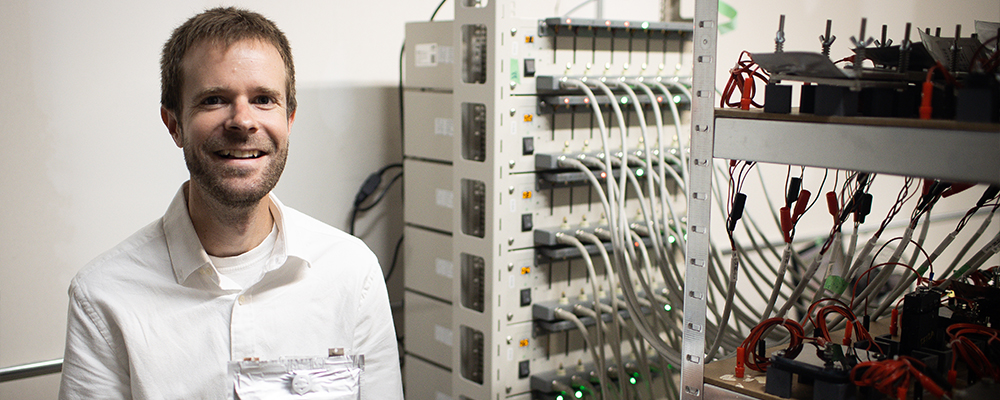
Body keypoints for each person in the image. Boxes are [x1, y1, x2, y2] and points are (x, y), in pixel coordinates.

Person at [58, 7, 403, 399]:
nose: (243, 121)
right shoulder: (104, 296)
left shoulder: (352, 273)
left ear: (289, 119)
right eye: (214, 100)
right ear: (174, 124)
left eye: (263, 99)